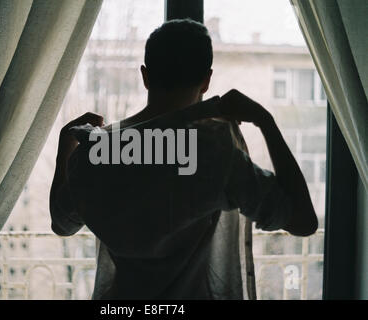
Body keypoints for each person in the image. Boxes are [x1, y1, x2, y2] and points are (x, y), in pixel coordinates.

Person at [49, 19, 318, 299]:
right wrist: (266, 121)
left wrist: (65, 145)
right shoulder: (213, 153)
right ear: (206, 80)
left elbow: (62, 224)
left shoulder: (98, 152)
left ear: (145, 76)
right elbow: (303, 221)